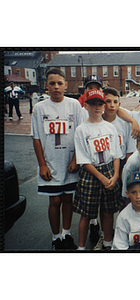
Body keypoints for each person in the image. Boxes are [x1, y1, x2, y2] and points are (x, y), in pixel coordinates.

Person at [31, 68, 82, 250]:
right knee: (55, 201)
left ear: (66, 85)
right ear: (46, 85)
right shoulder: (39, 108)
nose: (56, 87)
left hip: (69, 163)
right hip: (50, 164)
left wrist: (76, 158)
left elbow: (80, 134)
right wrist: (42, 164)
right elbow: (36, 137)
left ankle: (66, 233)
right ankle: (56, 238)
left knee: (68, 199)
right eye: (52, 83)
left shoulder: (74, 105)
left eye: (60, 83)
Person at [73, 88, 123, 250]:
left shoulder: (110, 128)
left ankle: (107, 243)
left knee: (108, 212)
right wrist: (100, 177)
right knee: (87, 214)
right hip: (91, 173)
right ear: (86, 106)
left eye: (100, 104)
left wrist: (115, 176)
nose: (97, 108)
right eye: (93, 104)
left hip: (109, 170)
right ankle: (81, 247)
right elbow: (83, 160)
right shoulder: (82, 129)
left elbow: (116, 154)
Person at [91, 87, 136, 250]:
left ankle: (126, 235)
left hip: (123, 165)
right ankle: (106, 237)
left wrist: (123, 173)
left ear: (119, 103)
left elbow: (130, 151)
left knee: (125, 204)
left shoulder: (125, 122)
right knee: (106, 206)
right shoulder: (95, 120)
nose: (111, 105)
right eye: (107, 101)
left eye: (115, 102)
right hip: (104, 166)